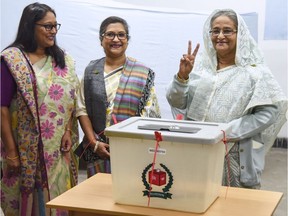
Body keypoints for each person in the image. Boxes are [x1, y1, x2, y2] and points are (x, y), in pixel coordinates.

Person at [166, 9, 287, 189]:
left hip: (233, 155)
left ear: (240, 34)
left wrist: (226, 132)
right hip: (196, 149)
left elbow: (269, 113)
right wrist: (182, 77)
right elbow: (177, 103)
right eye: (215, 31)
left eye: (227, 30)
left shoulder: (254, 72)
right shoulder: (199, 67)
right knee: (194, 196)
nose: (220, 36)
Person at [0, 3, 79, 215]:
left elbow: (70, 100)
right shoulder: (12, 60)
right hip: (23, 148)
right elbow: (2, 108)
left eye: (55, 26)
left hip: (57, 152)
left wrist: (68, 131)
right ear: (30, 26)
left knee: (58, 198)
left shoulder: (63, 60)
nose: (53, 31)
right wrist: (11, 151)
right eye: (47, 26)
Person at [76, 16, 161, 178]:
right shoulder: (91, 71)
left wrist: (129, 142)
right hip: (98, 148)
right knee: (98, 195)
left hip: (132, 149)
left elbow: (150, 113)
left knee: (129, 192)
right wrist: (93, 143)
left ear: (127, 40)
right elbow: (81, 109)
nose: (116, 39)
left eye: (121, 35)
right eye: (110, 35)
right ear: (101, 40)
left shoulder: (142, 73)